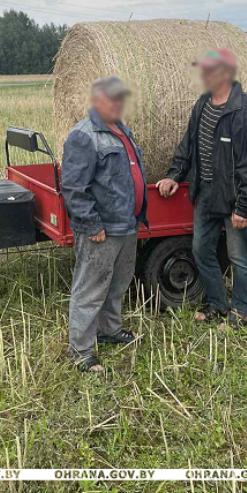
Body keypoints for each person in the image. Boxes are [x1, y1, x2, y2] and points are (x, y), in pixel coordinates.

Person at [156, 49, 247, 329]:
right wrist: (174, 175)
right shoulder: (203, 103)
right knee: (201, 250)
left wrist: (245, 207)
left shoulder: (243, 112)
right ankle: (217, 304)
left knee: (239, 256)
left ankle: (242, 311)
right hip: (205, 193)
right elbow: (189, 144)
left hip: (233, 197)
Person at [61, 76, 148, 372]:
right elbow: (73, 188)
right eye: (114, 99)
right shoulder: (84, 135)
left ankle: (110, 331)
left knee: (118, 284)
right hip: (103, 229)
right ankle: (82, 350)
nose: (120, 104)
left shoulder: (122, 130)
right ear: (97, 100)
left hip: (127, 224)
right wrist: (91, 224)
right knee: (90, 288)